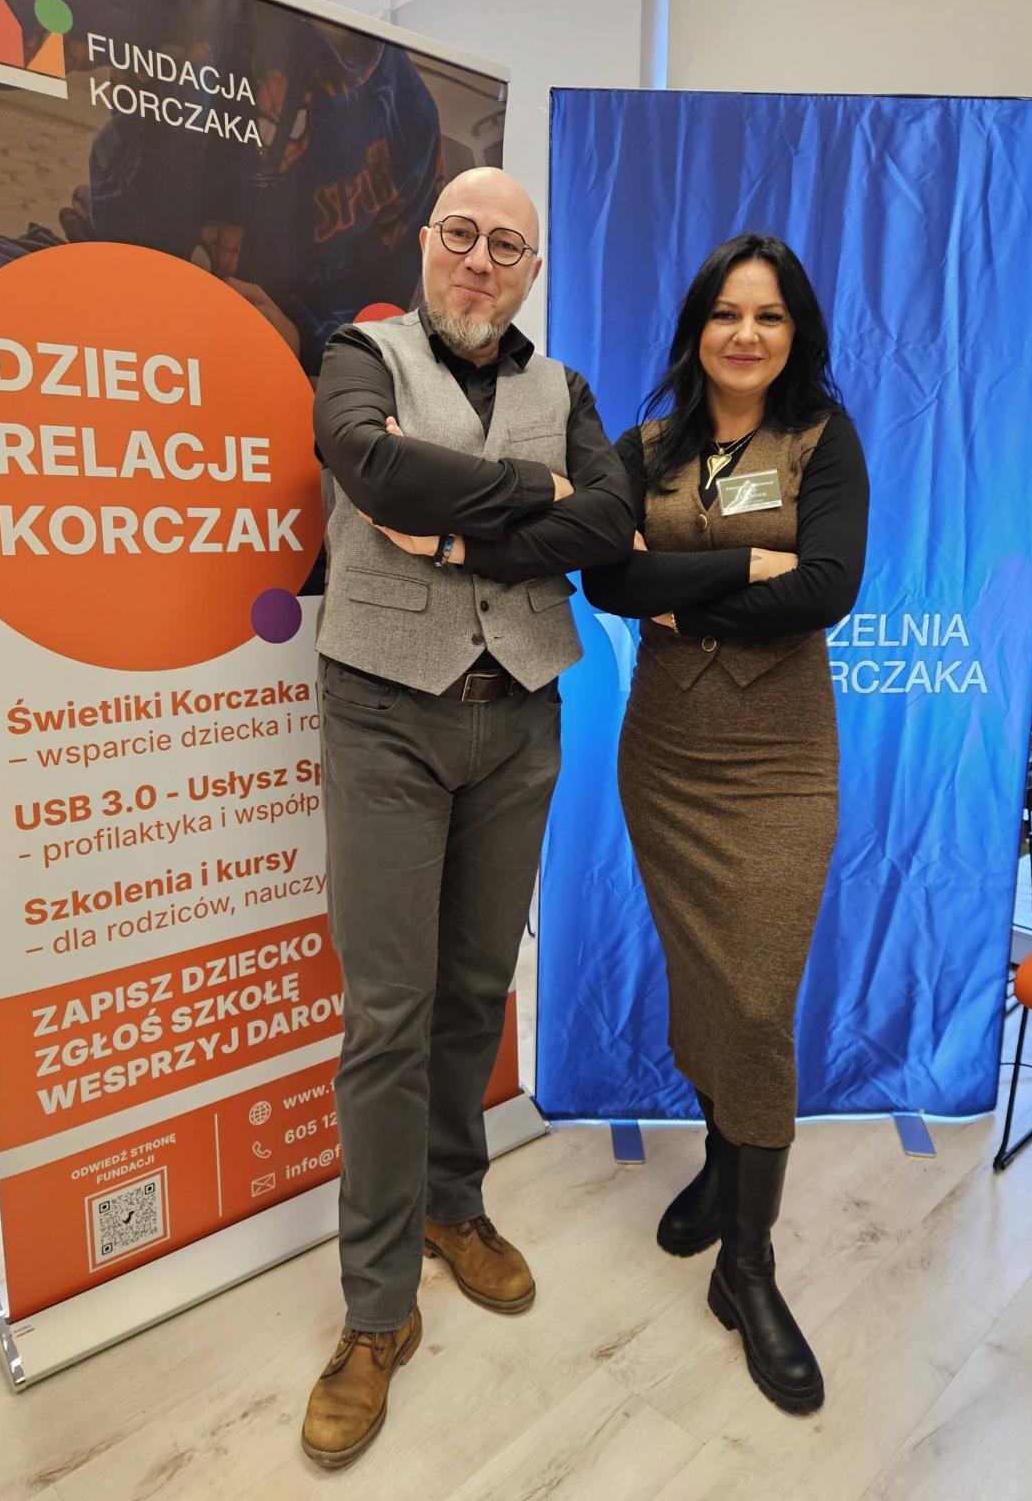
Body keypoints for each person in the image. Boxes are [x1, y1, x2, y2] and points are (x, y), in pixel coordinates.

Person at [303, 166, 632, 1467]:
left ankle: (455, 1203)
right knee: (387, 1015)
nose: (482, 260)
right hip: (387, 712)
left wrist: (455, 535)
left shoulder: (569, 392)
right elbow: (371, 465)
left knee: (478, 990)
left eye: (507, 245)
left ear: (532, 271)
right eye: (462, 235)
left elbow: (611, 522)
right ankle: (376, 1309)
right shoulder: (360, 354)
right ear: (426, 240)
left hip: (524, 715)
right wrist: (537, 500)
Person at [583, 233, 869, 1415]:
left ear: (796, 334)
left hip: (781, 760)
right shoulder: (643, 448)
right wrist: (751, 566)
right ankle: (718, 1162)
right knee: (705, 977)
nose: (746, 334)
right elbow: (606, 581)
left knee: (756, 999)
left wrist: (684, 587)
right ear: (697, 326)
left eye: (770, 316)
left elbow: (828, 587)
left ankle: (746, 1267)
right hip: (666, 758)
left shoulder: (824, 439)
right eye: (726, 313)